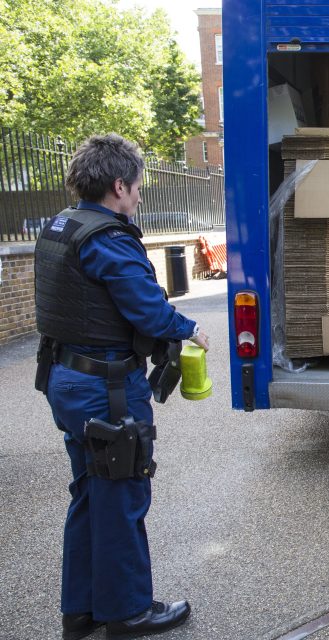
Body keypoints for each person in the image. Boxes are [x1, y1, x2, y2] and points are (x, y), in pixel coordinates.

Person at [34, 134, 210, 639]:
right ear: (118, 185)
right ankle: (128, 612)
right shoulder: (109, 240)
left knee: (89, 492)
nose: (137, 198)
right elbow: (149, 311)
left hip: (65, 381)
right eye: (135, 189)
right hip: (105, 389)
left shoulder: (61, 227)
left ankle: (82, 610)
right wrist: (189, 329)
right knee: (123, 497)